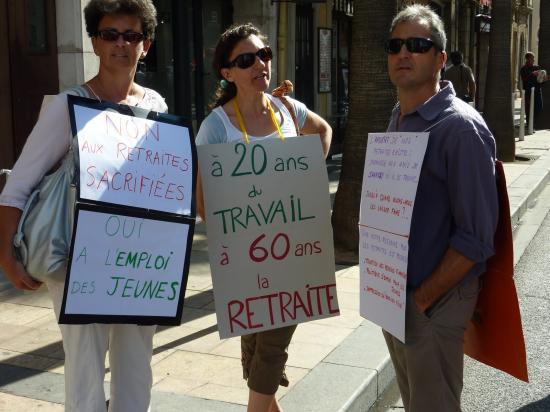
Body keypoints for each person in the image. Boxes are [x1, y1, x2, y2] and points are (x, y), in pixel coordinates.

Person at [0, 1, 166, 411]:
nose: (121, 44)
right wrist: (6, 254)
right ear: (94, 41)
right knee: (85, 371)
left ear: (145, 45)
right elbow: (17, 186)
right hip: (78, 260)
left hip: (136, 261)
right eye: (110, 34)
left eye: (132, 35)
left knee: (136, 367)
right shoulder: (66, 106)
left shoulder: (157, 106)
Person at [195, 23, 331, 412]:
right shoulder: (215, 127)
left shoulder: (288, 109)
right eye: (247, 59)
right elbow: (205, 204)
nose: (260, 64)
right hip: (246, 261)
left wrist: (305, 176)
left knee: (270, 352)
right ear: (228, 72)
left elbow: (323, 131)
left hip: (293, 255)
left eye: (264, 54)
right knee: (255, 356)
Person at [382, 5, 498, 411]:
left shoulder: (459, 128)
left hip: (434, 302)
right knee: (416, 401)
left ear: (440, 58)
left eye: (417, 44)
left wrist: (423, 300)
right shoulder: (399, 116)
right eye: (395, 45)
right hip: (397, 299)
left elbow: (476, 238)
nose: (403, 54)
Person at [520, 51, 548, 128]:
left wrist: (544, 78)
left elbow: (541, 80)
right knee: (528, 108)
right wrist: (532, 74)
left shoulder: (537, 67)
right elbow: (524, 79)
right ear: (528, 59)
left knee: (539, 107)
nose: (534, 60)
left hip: (537, 91)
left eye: (534, 58)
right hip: (528, 91)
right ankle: (529, 124)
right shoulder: (523, 69)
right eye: (532, 58)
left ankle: (535, 122)